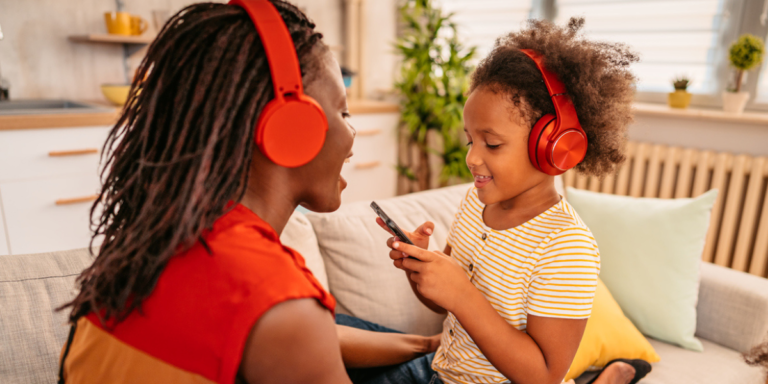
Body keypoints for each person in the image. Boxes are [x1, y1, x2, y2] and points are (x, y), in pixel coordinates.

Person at [57, 1, 437, 383]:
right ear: (291, 126)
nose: (351, 137)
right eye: (343, 113)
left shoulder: (140, 250)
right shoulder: (276, 297)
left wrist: (423, 344)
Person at [337, 18, 651, 384]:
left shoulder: (568, 246)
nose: (471, 158)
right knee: (322, 328)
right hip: (441, 369)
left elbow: (543, 375)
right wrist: (423, 270)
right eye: (471, 140)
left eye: (493, 143)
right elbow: (447, 305)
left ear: (554, 145)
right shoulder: (474, 202)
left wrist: (464, 294)